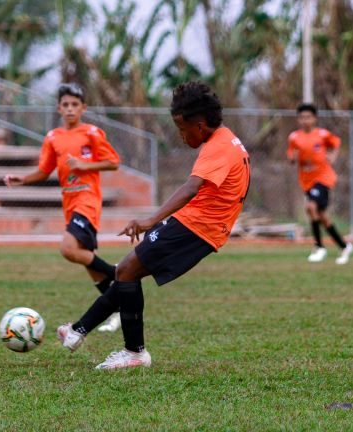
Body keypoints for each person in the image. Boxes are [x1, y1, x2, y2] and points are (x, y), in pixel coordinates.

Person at [57, 82, 251, 369]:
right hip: (200, 224)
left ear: (199, 125)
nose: (181, 136)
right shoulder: (227, 139)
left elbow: (191, 188)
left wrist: (150, 220)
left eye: (182, 129)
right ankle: (78, 331)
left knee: (126, 271)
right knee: (127, 272)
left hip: (196, 226)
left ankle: (134, 353)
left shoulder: (218, 147)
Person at [4, 83, 122, 332]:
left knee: (68, 248)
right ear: (59, 108)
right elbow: (45, 171)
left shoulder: (92, 132)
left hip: (88, 200)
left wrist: (83, 166)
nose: (70, 109)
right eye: (65, 105)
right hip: (69, 203)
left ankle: (119, 273)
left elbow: (113, 162)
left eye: (75, 105)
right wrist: (23, 179)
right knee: (90, 266)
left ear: (83, 108)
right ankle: (120, 308)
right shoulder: (53, 137)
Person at [287, 103, 353, 264]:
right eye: (302, 117)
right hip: (307, 181)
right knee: (322, 216)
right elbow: (291, 157)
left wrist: (333, 155)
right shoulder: (294, 137)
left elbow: (336, 143)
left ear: (315, 118)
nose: (305, 120)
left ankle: (319, 247)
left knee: (310, 207)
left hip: (324, 178)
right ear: (298, 120)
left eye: (308, 117)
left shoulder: (322, 134)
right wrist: (293, 158)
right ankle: (344, 246)